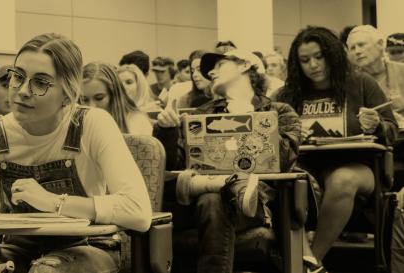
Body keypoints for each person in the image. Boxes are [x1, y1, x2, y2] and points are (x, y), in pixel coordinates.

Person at [0, 33, 152, 273]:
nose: (22, 91)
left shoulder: (92, 124)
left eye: (40, 83)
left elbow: (138, 211)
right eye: (17, 77)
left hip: (89, 246)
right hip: (15, 250)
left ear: (68, 93)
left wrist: (53, 202)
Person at [156, 48, 306, 273]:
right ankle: (224, 184)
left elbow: (283, 161)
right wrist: (167, 130)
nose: (211, 73)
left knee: (213, 201)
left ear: (244, 65)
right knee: (208, 199)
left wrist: (247, 118)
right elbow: (175, 165)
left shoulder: (278, 111)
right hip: (195, 198)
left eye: (218, 65)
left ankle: (229, 186)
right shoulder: (201, 114)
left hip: (254, 202)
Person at [275, 26, 398, 266]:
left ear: (332, 54)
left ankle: (310, 263)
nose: (313, 65)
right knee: (288, 183)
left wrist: (377, 126)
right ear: (296, 64)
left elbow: (392, 131)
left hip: (358, 167)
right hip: (305, 167)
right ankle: (305, 259)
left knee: (342, 180)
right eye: (305, 60)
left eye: (319, 57)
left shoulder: (361, 83)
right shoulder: (287, 94)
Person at [347, 25, 404, 127]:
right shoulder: (351, 81)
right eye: (352, 48)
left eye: (361, 45)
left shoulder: (401, 70)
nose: (357, 51)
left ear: (380, 44)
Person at [81, 62, 153, 136]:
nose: (91, 106)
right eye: (84, 100)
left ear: (114, 96)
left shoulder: (137, 122)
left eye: (99, 98)